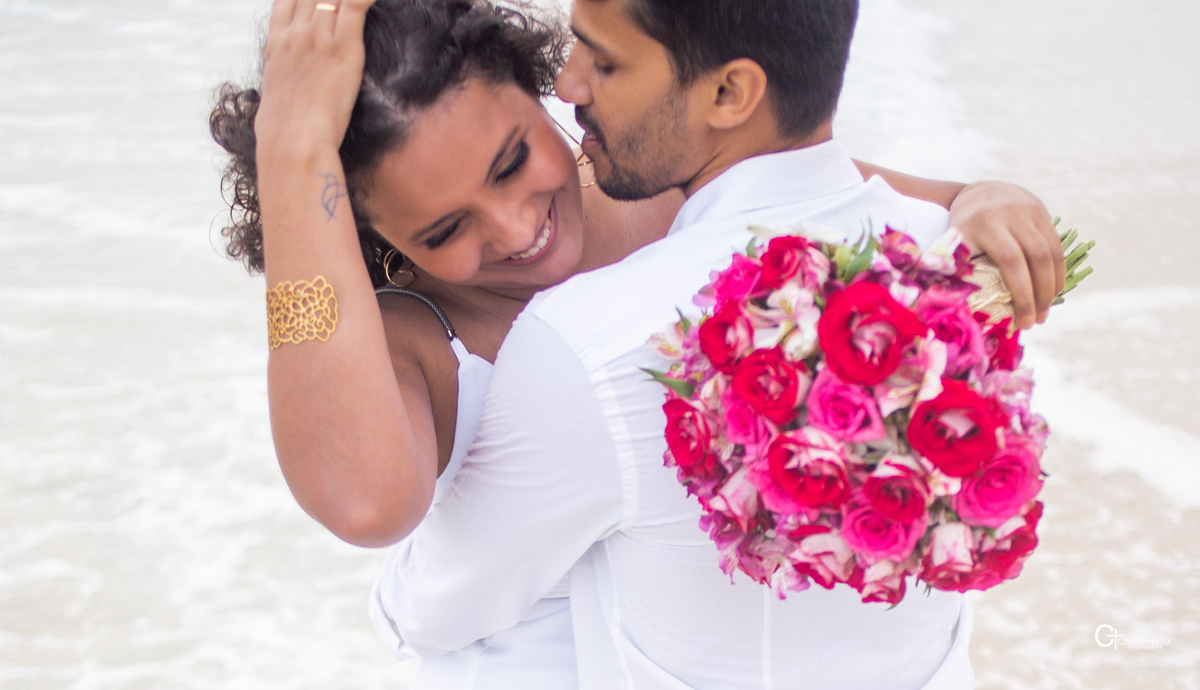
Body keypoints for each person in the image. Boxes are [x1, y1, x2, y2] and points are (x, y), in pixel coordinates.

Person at [210, 0, 1064, 686]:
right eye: (444, 229)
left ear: (545, 92)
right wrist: (293, 154)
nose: (517, 231)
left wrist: (985, 193)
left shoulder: (635, 190)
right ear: (387, 245)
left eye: (512, 161)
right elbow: (364, 505)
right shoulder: (410, 334)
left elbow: (827, 191)